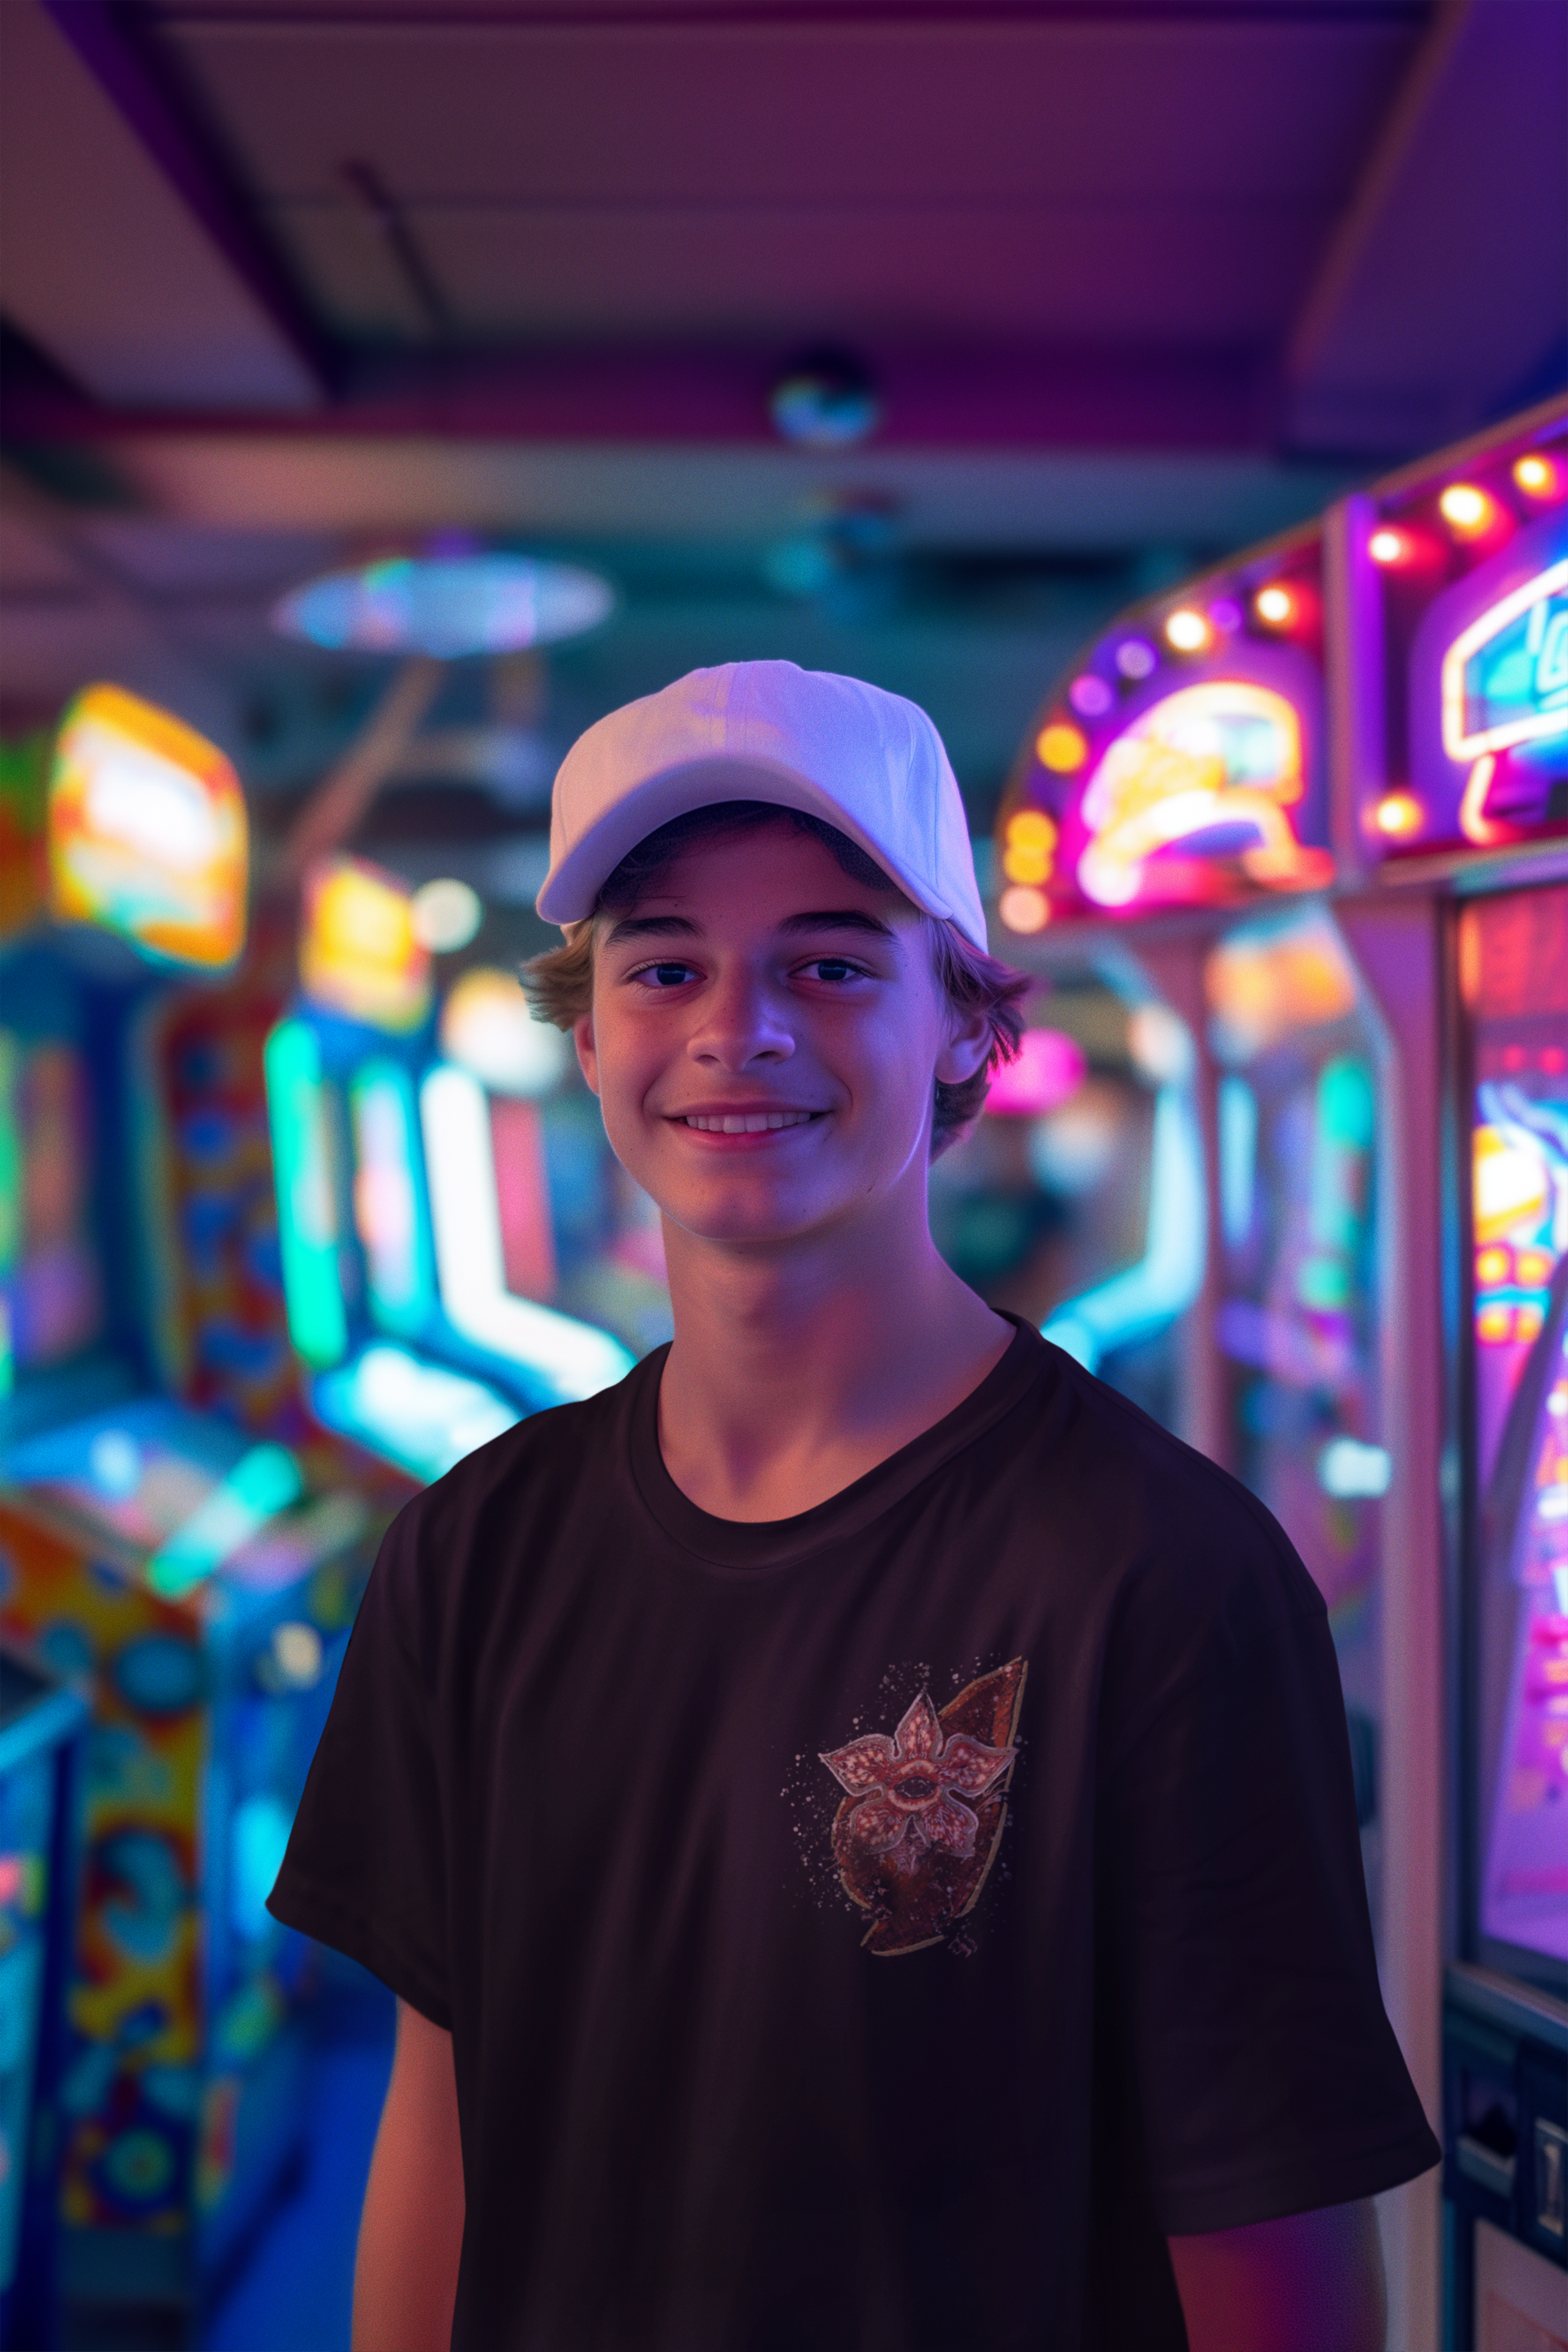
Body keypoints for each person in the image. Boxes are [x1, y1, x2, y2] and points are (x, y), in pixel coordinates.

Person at [268, 662, 1438, 2352]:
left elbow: (1274, 2249)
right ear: (589, 1032)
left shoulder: (1162, 1575)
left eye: (828, 963)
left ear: (966, 1022)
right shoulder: (469, 1547)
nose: (736, 1029)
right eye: (666, 965)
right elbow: (441, 2129)